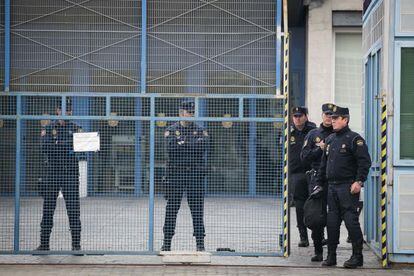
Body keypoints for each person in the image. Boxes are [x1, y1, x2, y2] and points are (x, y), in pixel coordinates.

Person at [315, 106, 371, 268]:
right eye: (331, 118)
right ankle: (331, 256)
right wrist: (319, 183)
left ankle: (357, 256)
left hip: (347, 187)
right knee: (331, 223)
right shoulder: (331, 140)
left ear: (345, 120)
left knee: (351, 222)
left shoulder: (354, 139)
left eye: (335, 118)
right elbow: (323, 165)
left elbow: (364, 162)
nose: (332, 121)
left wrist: (359, 181)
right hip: (331, 187)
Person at [161, 101, 209, 251]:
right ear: (181, 113)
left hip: (195, 174)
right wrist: (191, 145)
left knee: (197, 209)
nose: (191, 114)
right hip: (176, 174)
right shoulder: (171, 129)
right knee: (172, 208)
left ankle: (200, 244)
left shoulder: (201, 130)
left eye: (193, 112)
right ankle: (167, 243)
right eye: (189, 112)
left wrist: (183, 144)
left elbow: (203, 149)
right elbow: (172, 150)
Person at [37, 105, 83, 252]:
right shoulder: (49, 128)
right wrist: (68, 146)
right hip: (52, 173)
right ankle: (44, 244)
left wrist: (58, 144)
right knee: (48, 208)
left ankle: (76, 245)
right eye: (63, 109)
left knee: (74, 209)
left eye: (69, 109)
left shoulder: (76, 128)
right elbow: (44, 147)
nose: (67, 112)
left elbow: (82, 148)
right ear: (57, 110)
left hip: (70, 174)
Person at [301, 103, 335, 261]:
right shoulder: (313, 134)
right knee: (316, 216)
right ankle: (318, 251)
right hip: (316, 179)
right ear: (322, 115)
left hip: (335, 180)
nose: (329, 118)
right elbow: (304, 157)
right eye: (326, 114)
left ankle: (331, 253)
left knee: (334, 217)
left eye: (332, 115)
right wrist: (319, 149)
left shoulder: (340, 134)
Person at [289, 106, 316, 247]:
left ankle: (318, 236)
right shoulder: (288, 132)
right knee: (299, 206)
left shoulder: (313, 131)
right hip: (296, 174)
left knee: (316, 205)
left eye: (300, 115)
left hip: (312, 173)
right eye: (295, 116)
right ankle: (303, 236)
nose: (297, 118)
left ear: (306, 116)